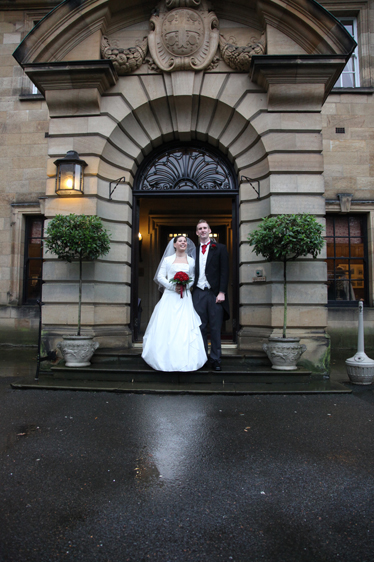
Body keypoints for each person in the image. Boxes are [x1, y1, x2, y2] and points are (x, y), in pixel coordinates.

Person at [142, 235, 207, 372]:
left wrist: (186, 286)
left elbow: (194, 277)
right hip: (170, 296)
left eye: (185, 241)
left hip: (185, 298)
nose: (183, 243)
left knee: (185, 325)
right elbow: (160, 276)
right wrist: (173, 287)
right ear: (174, 245)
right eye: (180, 241)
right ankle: (164, 359)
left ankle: (186, 359)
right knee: (168, 325)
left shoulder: (191, 260)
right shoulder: (167, 260)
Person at [192, 220, 230, 372]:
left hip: (214, 293)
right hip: (198, 293)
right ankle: (202, 359)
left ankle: (215, 359)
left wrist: (222, 292)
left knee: (215, 328)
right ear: (196, 232)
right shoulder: (193, 251)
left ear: (209, 230)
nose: (202, 230)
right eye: (199, 229)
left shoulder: (220, 248)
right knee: (199, 327)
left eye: (205, 228)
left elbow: (224, 271)